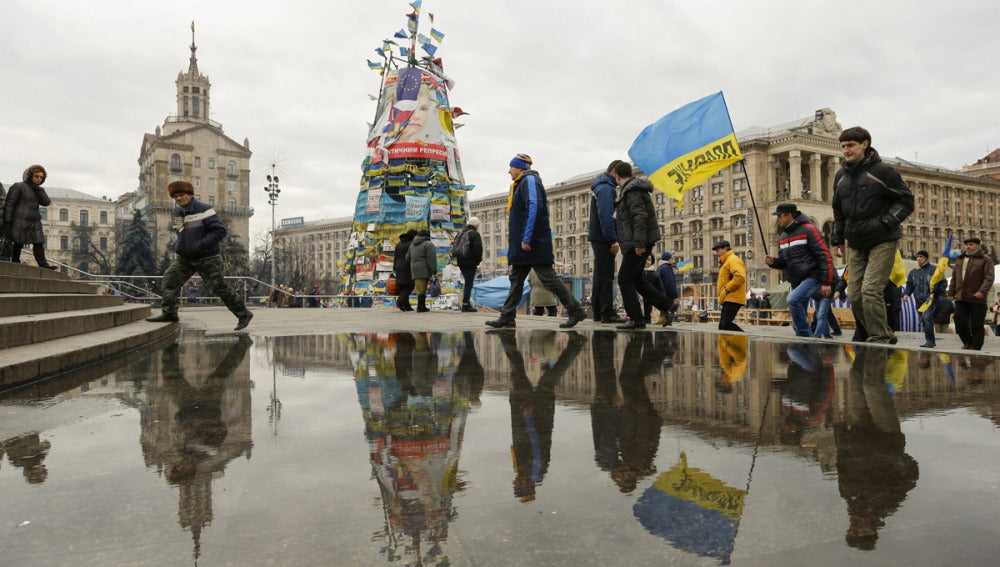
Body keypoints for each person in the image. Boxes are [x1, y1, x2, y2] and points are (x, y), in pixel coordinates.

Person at [830, 126, 914, 345]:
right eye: (843, 146)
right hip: (856, 242)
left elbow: (906, 201)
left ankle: (881, 336)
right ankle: (874, 332)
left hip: (882, 240)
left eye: (850, 145)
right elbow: (838, 211)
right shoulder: (840, 176)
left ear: (864, 144)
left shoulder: (882, 172)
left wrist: (886, 222)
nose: (846, 150)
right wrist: (837, 239)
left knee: (870, 290)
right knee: (854, 294)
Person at [485, 154, 586, 329]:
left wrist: (526, 237)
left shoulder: (529, 180)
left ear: (520, 168)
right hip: (525, 243)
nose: (509, 170)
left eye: (511, 167)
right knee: (516, 279)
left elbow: (534, 207)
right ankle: (507, 316)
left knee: (548, 278)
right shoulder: (522, 183)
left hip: (532, 243)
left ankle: (575, 310)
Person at [146, 181, 253, 330]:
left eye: (182, 195)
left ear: (190, 195)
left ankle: (244, 314)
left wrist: (201, 245)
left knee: (219, 287)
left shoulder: (204, 209)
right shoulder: (177, 213)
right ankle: (169, 313)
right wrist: (181, 247)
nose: (178, 198)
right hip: (185, 258)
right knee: (169, 280)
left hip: (207, 257)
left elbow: (219, 231)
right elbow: (180, 232)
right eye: (175, 196)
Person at [610, 162, 673, 330]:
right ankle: (667, 306)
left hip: (637, 243)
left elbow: (639, 217)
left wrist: (638, 243)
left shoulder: (632, 191)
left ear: (617, 176)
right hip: (639, 241)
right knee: (637, 279)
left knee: (624, 279)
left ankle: (636, 319)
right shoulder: (633, 189)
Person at [763, 203, 833, 337]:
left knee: (793, 300)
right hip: (796, 281)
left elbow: (825, 256)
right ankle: (805, 346)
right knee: (795, 322)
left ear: (789, 215)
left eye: (779, 216)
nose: (777, 219)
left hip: (812, 277)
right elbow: (785, 263)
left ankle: (806, 339)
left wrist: (826, 281)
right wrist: (774, 262)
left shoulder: (809, 230)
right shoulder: (783, 237)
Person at [588, 160, 625, 323]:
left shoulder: (601, 186)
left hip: (598, 237)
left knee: (599, 275)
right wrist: (613, 239)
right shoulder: (606, 189)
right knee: (607, 275)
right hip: (604, 238)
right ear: (614, 173)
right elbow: (606, 216)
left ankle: (598, 312)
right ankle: (607, 312)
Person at [2, 165, 57, 269]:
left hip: (34, 220)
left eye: (41, 177)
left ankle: (43, 264)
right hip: (19, 219)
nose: (39, 179)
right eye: (36, 176)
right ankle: (15, 262)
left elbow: (46, 202)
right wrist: (7, 221)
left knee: (39, 242)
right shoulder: (18, 186)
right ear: (30, 175)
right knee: (18, 243)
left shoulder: (38, 190)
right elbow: (9, 204)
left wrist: (39, 190)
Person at [948, 237, 994, 350]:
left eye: (971, 244)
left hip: (977, 298)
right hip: (961, 297)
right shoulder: (960, 259)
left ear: (978, 246)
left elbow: (988, 278)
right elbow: (954, 278)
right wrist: (951, 293)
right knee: (959, 321)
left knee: (976, 324)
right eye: (967, 244)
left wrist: (982, 291)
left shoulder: (985, 259)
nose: (968, 246)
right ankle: (967, 342)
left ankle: (976, 347)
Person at [902, 250, 947, 348]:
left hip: (930, 300)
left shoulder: (934, 270)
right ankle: (930, 340)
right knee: (923, 321)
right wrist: (906, 294)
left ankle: (930, 341)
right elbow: (909, 285)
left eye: (921, 256)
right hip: (919, 301)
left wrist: (936, 293)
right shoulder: (913, 272)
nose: (918, 258)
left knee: (927, 318)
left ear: (926, 258)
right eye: (917, 257)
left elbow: (944, 282)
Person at [713, 240, 746, 332]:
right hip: (729, 297)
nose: (717, 252)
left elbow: (740, 277)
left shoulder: (733, 259)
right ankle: (730, 345)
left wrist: (727, 289)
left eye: (718, 250)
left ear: (725, 249)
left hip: (733, 297)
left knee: (725, 324)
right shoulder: (727, 261)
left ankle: (743, 340)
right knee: (723, 326)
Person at [456, 217, 484, 312]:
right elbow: (478, 249)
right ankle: (465, 304)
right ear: (476, 225)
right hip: (470, 262)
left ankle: (465, 303)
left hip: (460, 261)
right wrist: (477, 261)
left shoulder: (460, 233)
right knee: (469, 283)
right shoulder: (475, 234)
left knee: (467, 282)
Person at [406, 229, 437, 313]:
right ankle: (421, 306)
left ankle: (421, 306)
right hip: (424, 268)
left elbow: (407, 258)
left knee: (420, 288)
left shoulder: (412, 245)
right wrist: (433, 270)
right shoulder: (428, 244)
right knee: (422, 288)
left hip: (414, 269)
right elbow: (432, 258)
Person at [393, 229, 417, 311]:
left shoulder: (399, 244)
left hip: (398, 266)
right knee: (410, 285)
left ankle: (406, 306)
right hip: (407, 266)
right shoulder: (411, 244)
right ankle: (400, 302)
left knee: (403, 286)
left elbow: (395, 256)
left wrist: (394, 268)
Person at [656, 252, 679, 326]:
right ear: (668, 259)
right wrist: (674, 295)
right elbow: (670, 283)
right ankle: (666, 322)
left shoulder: (660, 267)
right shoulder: (667, 268)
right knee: (668, 309)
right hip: (667, 294)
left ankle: (663, 321)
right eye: (672, 258)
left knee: (663, 309)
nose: (673, 260)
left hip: (661, 293)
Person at [641, 254, 664, 324]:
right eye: (644, 259)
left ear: (652, 261)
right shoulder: (638, 271)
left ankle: (647, 320)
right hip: (640, 296)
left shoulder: (654, 273)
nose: (646, 262)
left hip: (649, 296)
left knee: (647, 309)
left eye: (648, 260)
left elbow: (660, 286)